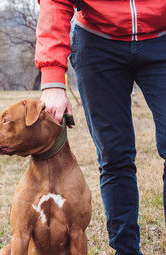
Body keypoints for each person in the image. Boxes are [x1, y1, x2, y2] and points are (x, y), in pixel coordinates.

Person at [35, 1, 166, 254]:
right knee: (114, 155)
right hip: (98, 43)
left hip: (162, 37)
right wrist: (52, 80)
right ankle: (126, 250)